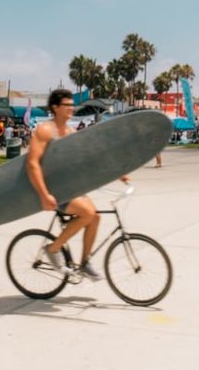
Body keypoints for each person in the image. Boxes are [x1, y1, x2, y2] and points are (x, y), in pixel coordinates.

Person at [26, 89, 125, 281]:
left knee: (95, 218)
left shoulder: (71, 132)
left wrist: (116, 173)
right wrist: (44, 194)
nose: (72, 108)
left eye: (73, 105)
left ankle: (85, 263)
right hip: (55, 189)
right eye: (67, 105)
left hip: (70, 187)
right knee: (87, 213)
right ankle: (52, 249)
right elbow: (32, 163)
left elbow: (88, 158)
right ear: (55, 107)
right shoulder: (45, 130)